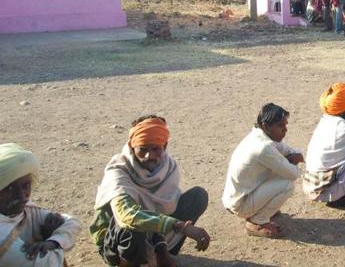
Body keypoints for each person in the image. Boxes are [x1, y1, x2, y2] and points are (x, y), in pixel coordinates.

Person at [91, 116, 210, 266]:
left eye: (156, 149)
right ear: (131, 147)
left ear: (164, 146)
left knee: (198, 196)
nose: (149, 156)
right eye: (142, 149)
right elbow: (128, 216)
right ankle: (127, 262)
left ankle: (160, 253)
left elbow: (160, 211)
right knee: (131, 224)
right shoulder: (118, 171)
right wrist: (181, 226)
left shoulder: (168, 167)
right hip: (116, 242)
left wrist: (162, 251)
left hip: (154, 234)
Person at [223, 104, 303, 238]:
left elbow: (287, 149)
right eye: (280, 126)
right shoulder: (263, 147)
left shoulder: (262, 134)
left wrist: (291, 156)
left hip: (238, 196)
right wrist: (293, 159)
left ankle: (262, 210)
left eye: (286, 125)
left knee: (280, 169)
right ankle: (257, 220)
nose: (285, 130)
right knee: (287, 183)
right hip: (240, 204)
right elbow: (293, 174)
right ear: (266, 126)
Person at [0, 143, 81, 267]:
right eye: (10, 188)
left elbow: (71, 222)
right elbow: (48, 263)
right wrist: (50, 238)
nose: (22, 196)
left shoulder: (25, 211)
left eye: (26, 185)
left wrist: (53, 242)